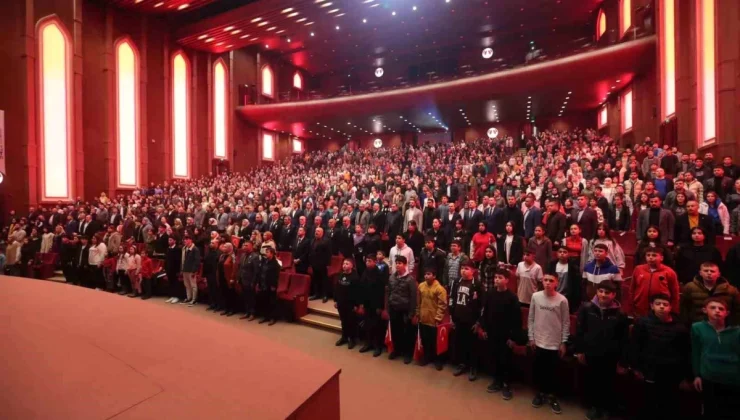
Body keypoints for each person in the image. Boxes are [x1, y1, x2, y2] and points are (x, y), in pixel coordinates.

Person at [629, 294, 690, 420]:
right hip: (650, 370)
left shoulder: (680, 327)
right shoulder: (642, 323)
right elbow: (635, 346)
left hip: (671, 372)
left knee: (669, 404)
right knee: (649, 402)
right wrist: (636, 367)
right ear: (652, 306)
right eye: (658, 304)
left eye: (665, 304)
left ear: (670, 307)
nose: (661, 307)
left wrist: (686, 375)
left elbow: (685, 351)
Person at [575, 280, 629, 420]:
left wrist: (622, 361)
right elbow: (581, 331)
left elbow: (624, 339)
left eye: (607, 293)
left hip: (610, 355)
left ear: (613, 295)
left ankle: (605, 407)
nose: (603, 295)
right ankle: (594, 407)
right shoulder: (587, 308)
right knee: (592, 380)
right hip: (591, 352)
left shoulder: (620, 315)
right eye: (600, 291)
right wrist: (580, 350)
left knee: (607, 382)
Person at [691, 298, 740, 419]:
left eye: (721, 308)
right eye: (713, 308)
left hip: (732, 378)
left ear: (726, 313)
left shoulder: (737, 331)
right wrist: (696, 375)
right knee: (711, 411)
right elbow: (696, 352)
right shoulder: (697, 328)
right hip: (709, 376)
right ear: (705, 310)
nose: (717, 311)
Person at [528, 274, 569, 415]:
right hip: (538, 340)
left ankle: (552, 397)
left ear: (556, 283)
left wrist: (563, 342)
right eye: (545, 280)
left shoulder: (562, 300)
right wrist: (531, 337)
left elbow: (565, 322)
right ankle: (540, 394)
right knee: (539, 369)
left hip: (554, 342)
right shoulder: (535, 296)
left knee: (553, 372)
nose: (547, 283)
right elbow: (531, 318)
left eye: (551, 281)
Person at [478, 268, 522, 400]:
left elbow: (517, 320)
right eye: (496, 277)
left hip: (506, 335)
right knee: (494, 357)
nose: (497, 279)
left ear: (507, 280)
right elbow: (485, 312)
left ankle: (506, 384)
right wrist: (484, 329)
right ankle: (496, 381)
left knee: (506, 359)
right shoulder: (490, 294)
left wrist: (513, 337)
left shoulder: (512, 297)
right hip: (492, 332)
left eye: (500, 277)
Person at [450, 262, 481, 379]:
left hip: (471, 320)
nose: (463, 271)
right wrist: (452, 317)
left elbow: (481, 305)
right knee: (460, 343)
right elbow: (452, 299)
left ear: (473, 271)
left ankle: (473, 367)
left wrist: (478, 322)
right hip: (458, 318)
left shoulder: (477, 284)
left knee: (472, 345)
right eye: (462, 268)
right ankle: (462, 364)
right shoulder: (456, 282)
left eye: (466, 269)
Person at [414, 267, 448, 370]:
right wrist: (418, 313)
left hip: (434, 320)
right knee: (425, 340)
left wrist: (438, 318)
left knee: (435, 341)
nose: (426, 276)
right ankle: (427, 357)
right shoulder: (421, 286)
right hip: (423, 318)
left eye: (428, 274)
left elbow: (442, 305)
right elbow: (418, 302)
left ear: (434, 276)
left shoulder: (440, 289)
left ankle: (438, 360)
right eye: (425, 274)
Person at [630, 248, 680, 317]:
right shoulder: (638, 269)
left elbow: (675, 293)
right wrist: (631, 305)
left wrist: (674, 309)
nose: (650, 257)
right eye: (648, 255)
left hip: (660, 309)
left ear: (661, 258)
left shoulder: (669, 272)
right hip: (640, 307)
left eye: (654, 255)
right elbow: (632, 289)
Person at [385, 255, 417, 364]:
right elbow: (388, 293)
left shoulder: (410, 280)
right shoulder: (392, 277)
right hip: (394, 308)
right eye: (396, 263)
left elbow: (413, 298)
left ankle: (407, 353)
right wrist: (388, 308)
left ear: (405, 264)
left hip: (405, 310)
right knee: (395, 331)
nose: (397, 265)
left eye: (400, 263)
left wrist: (412, 313)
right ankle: (397, 350)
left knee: (407, 333)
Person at [359, 255, 388, 357]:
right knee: (367, 325)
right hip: (366, 303)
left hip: (376, 305)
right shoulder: (365, 272)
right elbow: (361, 288)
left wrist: (380, 307)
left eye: (370, 261)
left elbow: (381, 292)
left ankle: (377, 346)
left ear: (375, 262)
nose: (367, 263)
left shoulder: (379, 274)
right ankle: (368, 343)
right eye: (366, 261)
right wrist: (361, 304)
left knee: (377, 326)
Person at [335, 258, 361, 349]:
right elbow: (337, 288)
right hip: (341, 303)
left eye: (347, 263)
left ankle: (352, 339)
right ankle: (344, 337)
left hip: (351, 304)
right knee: (343, 321)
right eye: (343, 263)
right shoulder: (340, 275)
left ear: (351, 266)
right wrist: (336, 300)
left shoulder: (355, 277)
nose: (344, 265)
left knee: (351, 322)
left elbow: (358, 293)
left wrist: (356, 305)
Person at [547, 246, 583, 313]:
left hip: (567, 296)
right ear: (557, 254)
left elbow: (577, 285)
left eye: (564, 252)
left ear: (568, 254)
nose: (562, 253)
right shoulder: (552, 265)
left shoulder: (573, 267)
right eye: (560, 252)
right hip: (553, 295)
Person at [237, 240, 261, 321]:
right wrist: (238, 278)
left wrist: (254, 282)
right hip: (243, 280)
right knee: (245, 297)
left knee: (252, 298)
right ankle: (247, 312)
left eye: (246, 245)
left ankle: (252, 313)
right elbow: (240, 268)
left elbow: (256, 271)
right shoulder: (243, 255)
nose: (244, 247)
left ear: (251, 246)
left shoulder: (255, 256)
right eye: (244, 245)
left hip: (250, 281)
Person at [257, 247, 280, 325]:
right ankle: (265, 317)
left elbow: (276, 276)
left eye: (267, 252)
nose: (266, 253)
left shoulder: (275, 264)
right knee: (264, 301)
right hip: (263, 284)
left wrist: (274, 285)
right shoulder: (264, 261)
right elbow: (261, 272)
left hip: (271, 285)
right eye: (266, 252)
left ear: (272, 254)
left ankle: (272, 318)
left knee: (272, 302)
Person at [310, 227, 332, 303]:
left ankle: (325, 295)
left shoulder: (326, 241)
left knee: (324, 280)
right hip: (314, 263)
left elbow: (329, 253)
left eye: (318, 231)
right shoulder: (313, 240)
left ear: (322, 233)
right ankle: (317, 294)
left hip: (323, 264)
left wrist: (328, 264)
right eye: (316, 231)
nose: (316, 232)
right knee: (316, 279)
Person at [180, 235, 201, 307]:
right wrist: (182, 269)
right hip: (185, 269)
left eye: (186, 239)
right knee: (187, 285)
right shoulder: (184, 248)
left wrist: (194, 271)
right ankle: (189, 298)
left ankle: (194, 299)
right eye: (184, 240)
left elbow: (197, 261)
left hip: (191, 270)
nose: (185, 241)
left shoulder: (195, 249)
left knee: (193, 285)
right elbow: (182, 260)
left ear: (191, 240)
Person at [164, 237, 182, 304]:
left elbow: (178, 261)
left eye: (171, 240)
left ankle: (176, 297)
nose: (169, 241)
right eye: (168, 240)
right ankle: (171, 295)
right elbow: (166, 260)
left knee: (175, 283)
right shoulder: (168, 248)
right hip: (168, 269)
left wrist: (178, 271)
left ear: (174, 241)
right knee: (170, 283)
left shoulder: (177, 249)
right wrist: (165, 268)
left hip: (175, 269)